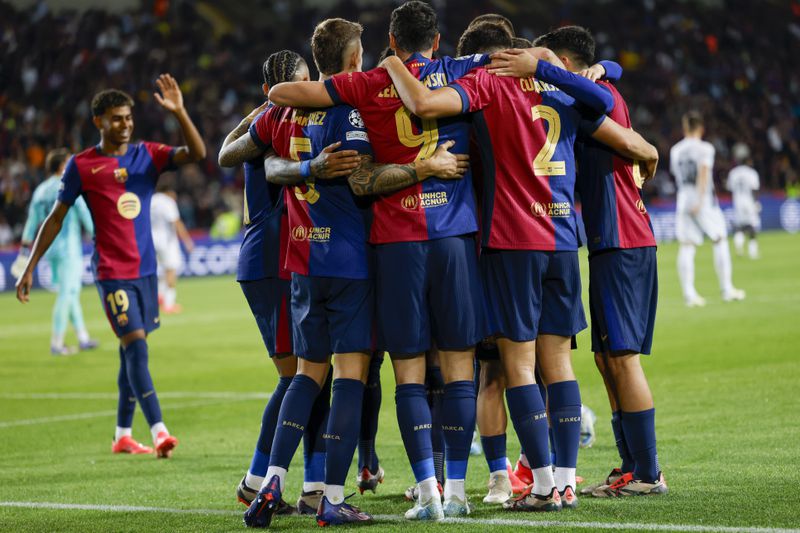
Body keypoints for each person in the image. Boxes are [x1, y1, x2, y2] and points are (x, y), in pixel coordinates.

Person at [381, 22, 658, 511]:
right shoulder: (564, 89)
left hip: (512, 242)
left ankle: (545, 484)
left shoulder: (488, 84)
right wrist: (648, 151)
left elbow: (424, 105)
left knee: (518, 369)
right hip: (563, 242)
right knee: (560, 365)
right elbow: (615, 117)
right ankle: (568, 483)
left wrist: (390, 66)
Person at [222, 18, 467, 527]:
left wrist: (282, 117)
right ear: (356, 61)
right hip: (351, 262)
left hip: (302, 262)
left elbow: (241, 153)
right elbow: (362, 181)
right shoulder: (352, 112)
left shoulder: (280, 114)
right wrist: (420, 168)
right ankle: (331, 497)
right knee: (351, 376)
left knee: (306, 376)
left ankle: (272, 478)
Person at [16, 75, 206, 457]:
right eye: (117, 118)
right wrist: (29, 264)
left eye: (129, 117)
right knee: (136, 348)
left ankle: (122, 434)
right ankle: (158, 431)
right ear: (98, 121)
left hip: (146, 273)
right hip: (111, 273)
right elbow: (55, 218)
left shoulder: (146, 155)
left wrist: (180, 111)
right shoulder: (82, 166)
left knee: (129, 351)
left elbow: (197, 153)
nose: (125, 124)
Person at [533, 25, 667, 498]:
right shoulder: (593, 89)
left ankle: (649, 473)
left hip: (623, 240)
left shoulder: (595, 95)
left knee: (624, 358)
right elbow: (608, 74)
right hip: (612, 241)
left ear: (565, 65)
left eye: (550, 64)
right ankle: (630, 466)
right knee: (606, 355)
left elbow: (603, 92)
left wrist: (552, 70)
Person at [219, 50, 339, 515]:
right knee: (297, 378)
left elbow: (227, 151)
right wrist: (267, 110)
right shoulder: (277, 123)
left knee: (313, 375)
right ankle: (256, 480)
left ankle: (311, 485)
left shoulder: (271, 121)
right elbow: (227, 155)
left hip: (283, 256)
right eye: (304, 80)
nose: (310, 87)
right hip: (274, 260)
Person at [12, 148, 98, 355]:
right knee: (67, 294)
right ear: (62, 167)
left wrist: (25, 249)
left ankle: (83, 337)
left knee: (71, 292)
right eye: (69, 163)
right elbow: (84, 213)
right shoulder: (67, 185)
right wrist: (99, 235)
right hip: (68, 248)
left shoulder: (40, 190)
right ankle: (57, 343)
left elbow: (32, 222)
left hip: (48, 249)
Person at [670, 111, 746, 306]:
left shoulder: (675, 150)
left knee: (687, 245)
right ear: (701, 129)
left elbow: (676, 175)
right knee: (719, 239)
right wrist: (701, 200)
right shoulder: (705, 149)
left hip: (683, 198)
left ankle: (689, 294)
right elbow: (703, 173)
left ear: (685, 128)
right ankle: (727, 289)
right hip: (702, 199)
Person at [150, 183, 194, 314]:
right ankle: (169, 304)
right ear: (168, 191)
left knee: (161, 270)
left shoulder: (151, 200)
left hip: (151, 239)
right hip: (166, 241)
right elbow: (176, 221)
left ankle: (159, 296)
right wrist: (187, 241)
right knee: (171, 270)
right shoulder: (168, 202)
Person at [727, 143, 760, 259]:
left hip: (737, 202)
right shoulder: (751, 173)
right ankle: (753, 252)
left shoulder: (733, 173)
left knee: (740, 226)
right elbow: (754, 190)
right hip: (748, 201)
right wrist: (756, 202)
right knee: (751, 226)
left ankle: (739, 249)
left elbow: (729, 188)